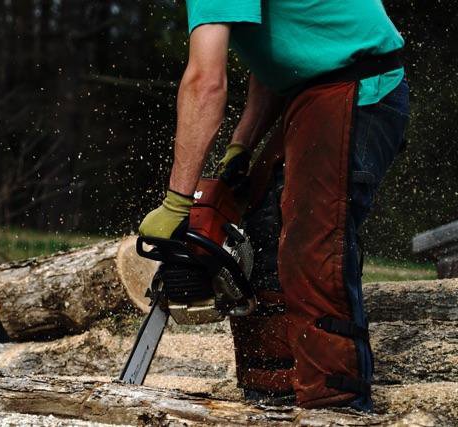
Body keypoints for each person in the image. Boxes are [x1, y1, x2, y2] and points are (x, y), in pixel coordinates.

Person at [138, 0, 410, 411]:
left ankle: (337, 404)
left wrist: (177, 203)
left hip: (358, 86)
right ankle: (272, 394)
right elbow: (272, 60)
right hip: (312, 89)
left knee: (311, 247)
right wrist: (239, 149)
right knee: (263, 228)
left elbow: (205, 83)